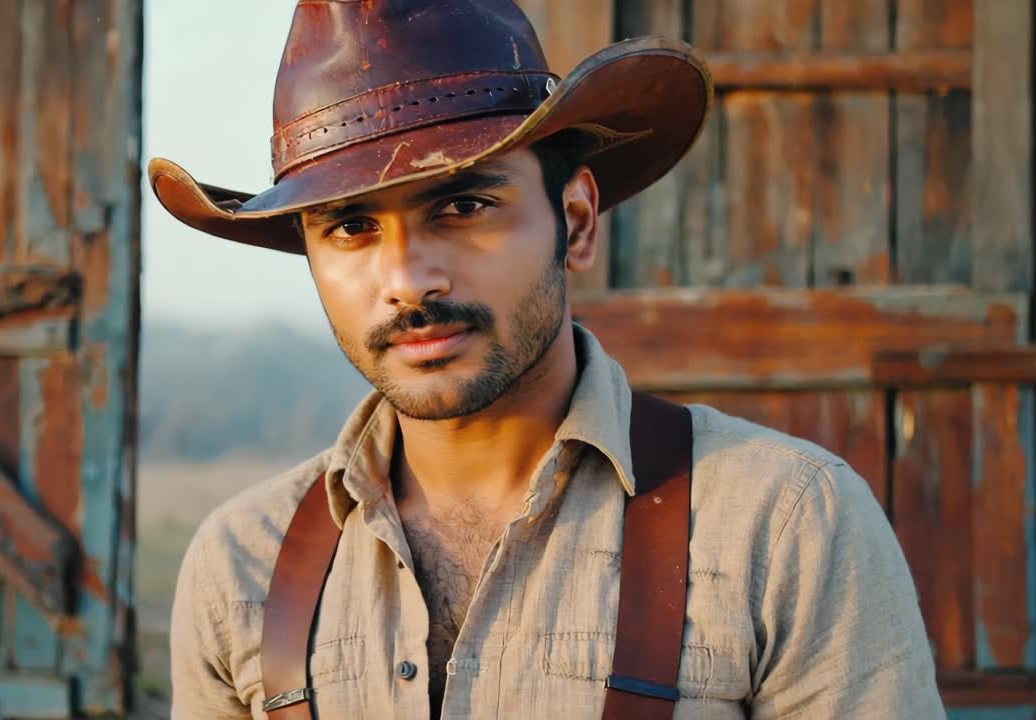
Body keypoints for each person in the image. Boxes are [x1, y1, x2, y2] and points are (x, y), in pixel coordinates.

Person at [150, 1, 944, 718]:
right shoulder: (239, 567)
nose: (407, 280)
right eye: (350, 228)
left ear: (577, 221)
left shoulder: (785, 527)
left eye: (463, 205)